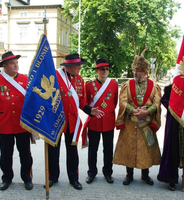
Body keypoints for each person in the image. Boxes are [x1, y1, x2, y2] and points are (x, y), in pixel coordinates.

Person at [48, 53, 103, 190]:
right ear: (70, 66)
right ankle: (52, 177)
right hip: (56, 120)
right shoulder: (54, 76)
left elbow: (82, 101)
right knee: (53, 150)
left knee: (72, 152)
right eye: (78, 65)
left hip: (72, 122)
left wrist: (90, 110)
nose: (80, 67)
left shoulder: (80, 81)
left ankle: (74, 179)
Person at [113, 48, 161, 186]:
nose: (135, 73)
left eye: (139, 70)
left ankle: (145, 175)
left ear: (145, 72)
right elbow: (122, 101)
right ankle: (129, 174)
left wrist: (147, 112)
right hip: (130, 123)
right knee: (130, 148)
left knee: (146, 149)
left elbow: (157, 103)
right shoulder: (127, 85)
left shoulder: (154, 86)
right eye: (135, 70)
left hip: (146, 123)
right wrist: (133, 110)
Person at [0, 51, 33, 191]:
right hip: (4, 123)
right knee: (6, 154)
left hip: (22, 124)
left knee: (25, 153)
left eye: (16, 62)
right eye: (12, 63)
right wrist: (1, 111)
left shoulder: (25, 80)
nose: (16, 65)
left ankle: (27, 178)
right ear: (4, 65)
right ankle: (7, 177)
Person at [84, 58, 118, 184]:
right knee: (93, 149)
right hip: (94, 122)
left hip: (108, 122)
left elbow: (114, 103)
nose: (105, 71)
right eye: (102, 69)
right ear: (97, 71)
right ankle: (91, 172)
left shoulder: (113, 84)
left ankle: (108, 172)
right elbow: (86, 103)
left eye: (107, 69)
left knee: (108, 149)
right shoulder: (88, 85)